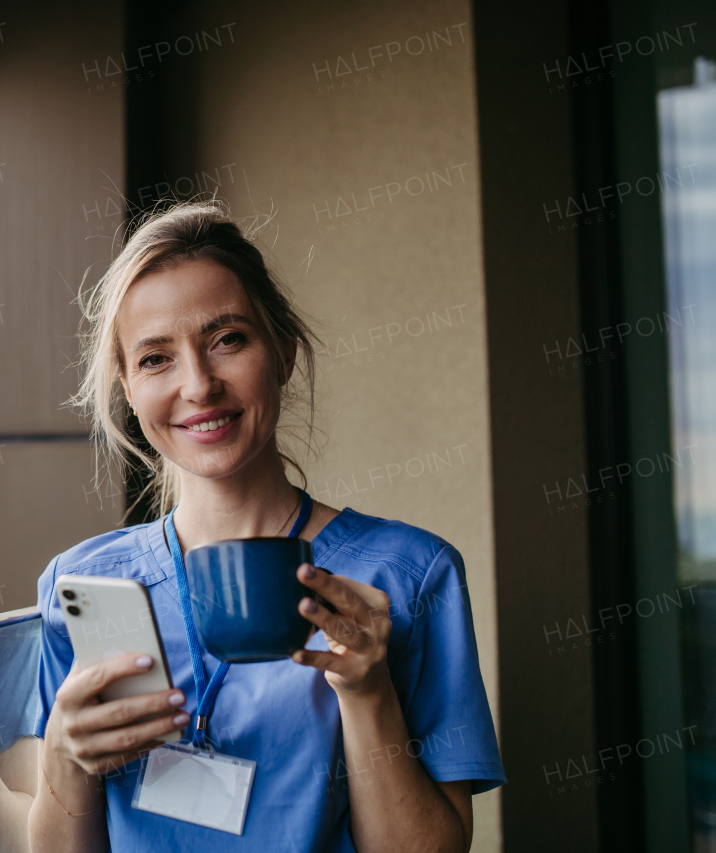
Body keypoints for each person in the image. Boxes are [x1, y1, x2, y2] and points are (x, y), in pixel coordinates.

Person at [26, 201, 505, 852]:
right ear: (129, 391)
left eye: (227, 339)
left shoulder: (410, 574)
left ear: (282, 350)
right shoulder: (81, 586)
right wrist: (63, 754)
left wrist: (368, 694)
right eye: (156, 358)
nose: (198, 385)